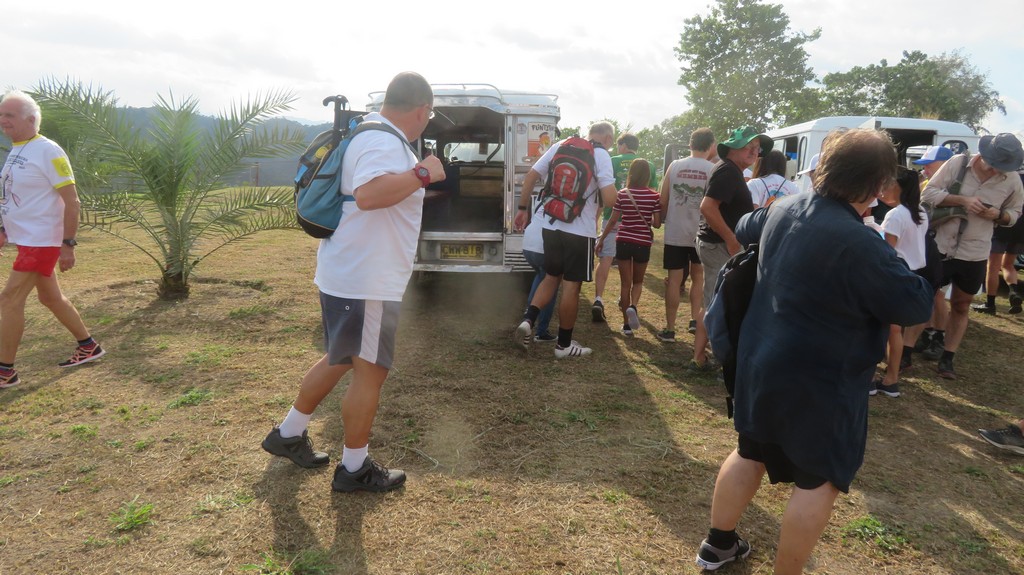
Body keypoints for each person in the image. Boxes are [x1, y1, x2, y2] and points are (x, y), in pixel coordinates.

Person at [695, 128, 934, 574]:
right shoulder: (862, 242)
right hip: (822, 382)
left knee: (750, 451)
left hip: (760, 361)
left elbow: (746, 227)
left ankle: (717, 545)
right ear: (877, 184)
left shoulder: (784, 207)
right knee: (818, 479)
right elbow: (916, 304)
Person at [261, 72, 445, 492]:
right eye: (430, 115)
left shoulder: (370, 133)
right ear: (422, 110)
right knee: (371, 373)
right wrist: (423, 173)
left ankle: (288, 433)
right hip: (367, 281)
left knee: (340, 358)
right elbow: (369, 195)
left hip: (348, 273)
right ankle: (355, 469)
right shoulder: (383, 140)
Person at [0, 90, 106, 389]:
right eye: (1, 114)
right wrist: (4, 228)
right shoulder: (18, 149)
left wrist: (68, 244)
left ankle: (5, 372)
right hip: (28, 239)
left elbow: (72, 201)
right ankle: (88, 346)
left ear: (31, 119)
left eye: (10, 115)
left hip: (42, 241)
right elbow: (14, 195)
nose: (3, 120)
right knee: (50, 298)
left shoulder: (48, 151)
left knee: (9, 300)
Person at [921, 133, 1024, 379]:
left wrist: (998, 215)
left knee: (961, 304)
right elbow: (928, 193)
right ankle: (908, 349)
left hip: (975, 251)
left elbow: (1014, 214)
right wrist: (963, 201)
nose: (996, 169)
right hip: (941, 244)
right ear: (985, 154)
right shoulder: (958, 163)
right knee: (925, 296)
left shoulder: (1012, 179)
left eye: (1002, 165)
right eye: (994, 162)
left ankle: (948, 358)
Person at [513, 123, 617, 358]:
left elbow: (531, 176)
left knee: (551, 277)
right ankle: (564, 345)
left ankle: (528, 320)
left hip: (551, 224)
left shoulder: (561, 145)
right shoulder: (601, 155)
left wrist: (522, 208)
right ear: (608, 138)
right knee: (571, 286)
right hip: (579, 231)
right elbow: (610, 199)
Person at [693, 126, 772, 370]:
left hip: (718, 245)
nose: (754, 152)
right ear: (732, 148)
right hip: (719, 246)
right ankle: (707, 360)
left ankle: (702, 357)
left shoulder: (731, 171)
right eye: (749, 146)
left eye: (757, 148)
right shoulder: (728, 171)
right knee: (718, 304)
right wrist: (731, 239)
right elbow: (707, 207)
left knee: (716, 301)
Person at [872, 166, 931, 397]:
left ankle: (871, 379)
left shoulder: (895, 215)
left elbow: (888, 252)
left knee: (881, 328)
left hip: (895, 272)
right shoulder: (919, 212)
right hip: (913, 273)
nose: (884, 189)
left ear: (899, 187)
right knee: (896, 330)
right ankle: (891, 379)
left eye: (888, 184)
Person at [592, 133, 657, 323]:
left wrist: (598, 222)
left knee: (605, 258)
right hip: (640, 226)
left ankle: (598, 298)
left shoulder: (612, 160)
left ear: (623, 145)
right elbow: (653, 193)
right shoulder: (649, 165)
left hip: (614, 216)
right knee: (636, 275)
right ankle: (629, 304)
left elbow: (603, 189)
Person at [658, 128, 716, 343]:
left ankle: (670, 329)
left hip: (675, 231)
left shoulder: (675, 166)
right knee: (698, 277)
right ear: (711, 146)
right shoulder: (713, 169)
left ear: (690, 144)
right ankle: (694, 320)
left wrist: (662, 219)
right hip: (701, 232)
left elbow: (663, 199)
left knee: (674, 280)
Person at [913, 145, 955, 360]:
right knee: (928, 290)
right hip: (928, 246)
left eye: (929, 165)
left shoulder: (953, 189)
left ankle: (938, 336)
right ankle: (927, 331)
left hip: (946, 249)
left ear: (945, 166)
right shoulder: (926, 185)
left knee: (938, 294)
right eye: (924, 165)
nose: (925, 169)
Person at [971, 172, 1024, 315]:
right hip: (1020, 228)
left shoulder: (1008, 176)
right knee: (1008, 265)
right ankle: (1014, 291)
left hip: (1003, 223)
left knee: (993, 267)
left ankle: (990, 304)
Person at [520, 202, 558, 343]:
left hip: (528, 245)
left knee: (541, 277)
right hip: (543, 247)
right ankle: (541, 331)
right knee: (551, 285)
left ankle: (528, 316)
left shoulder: (545, 198)